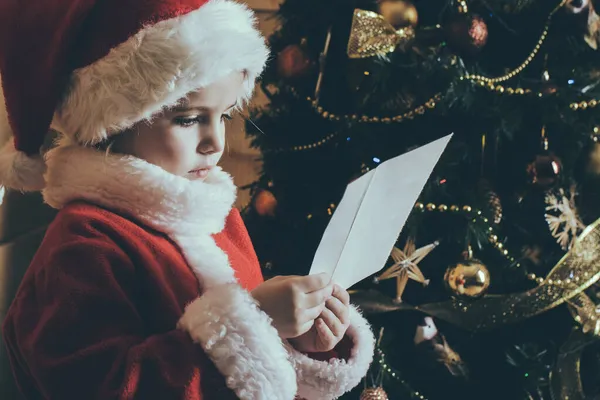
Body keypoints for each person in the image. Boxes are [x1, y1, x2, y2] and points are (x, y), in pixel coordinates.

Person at [0, 0, 375, 399]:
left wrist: (296, 342)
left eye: (225, 116)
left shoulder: (216, 217)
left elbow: (256, 372)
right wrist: (253, 319)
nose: (215, 143)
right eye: (189, 118)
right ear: (114, 122)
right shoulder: (80, 249)